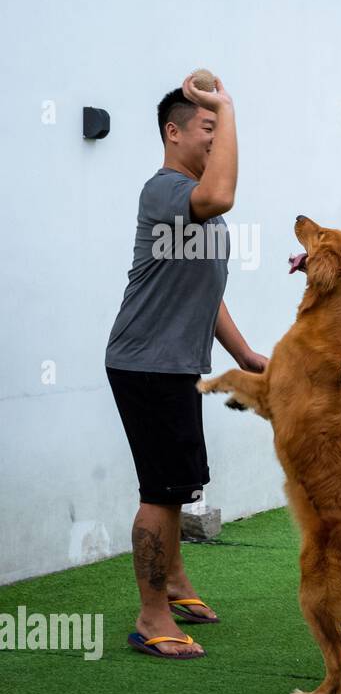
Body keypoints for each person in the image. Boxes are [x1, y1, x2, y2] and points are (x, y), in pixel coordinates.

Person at [104, 74, 267, 658]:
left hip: (173, 367)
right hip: (146, 364)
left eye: (219, 131)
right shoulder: (167, 191)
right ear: (172, 134)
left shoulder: (202, 215)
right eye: (208, 130)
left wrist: (245, 355)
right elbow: (222, 193)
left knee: (182, 484)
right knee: (162, 491)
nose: (216, 141)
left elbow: (206, 292)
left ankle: (173, 583)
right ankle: (151, 619)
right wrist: (226, 103)